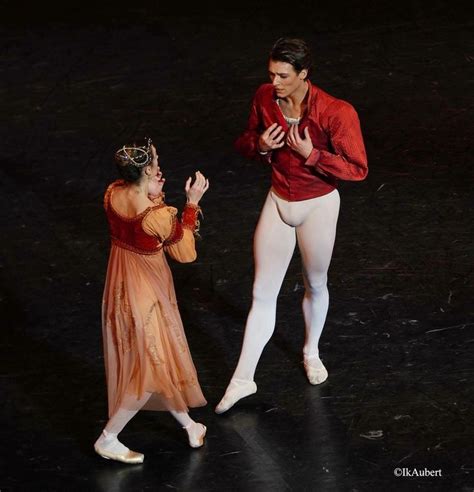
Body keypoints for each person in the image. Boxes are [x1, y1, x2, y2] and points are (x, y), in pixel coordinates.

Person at [215, 37, 368, 414]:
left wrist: (311, 154)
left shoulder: (336, 111)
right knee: (262, 292)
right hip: (279, 199)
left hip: (318, 205)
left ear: (304, 74)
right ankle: (243, 378)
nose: (276, 82)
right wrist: (261, 146)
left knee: (315, 282)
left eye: (283, 75)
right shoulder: (265, 98)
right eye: (271, 74)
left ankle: (311, 351)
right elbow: (243, 143)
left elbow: (358, 169)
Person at [94, 138, 210, 463]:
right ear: (146, 169)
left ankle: (189, 425)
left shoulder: (113, 192)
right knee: (151, 371)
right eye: (155, 161)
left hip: (121, 284)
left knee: (158, 361)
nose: (160, 165)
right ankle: (109, 437)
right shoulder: (154, 214)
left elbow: (137, 216)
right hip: (146, 291)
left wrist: (154, 193)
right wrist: (191, 203)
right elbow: (184, 253)